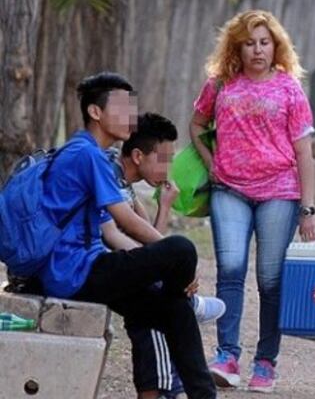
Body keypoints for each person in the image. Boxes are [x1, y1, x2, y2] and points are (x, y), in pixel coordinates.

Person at [41, 72, 217, 399]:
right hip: (75, 273)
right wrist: (173, 264)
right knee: (181, 249)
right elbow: (125, 222)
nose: (131, 117)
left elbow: (118, 226)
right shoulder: (87, 154)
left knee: (175, 310)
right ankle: (183, 293)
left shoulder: (93, 155)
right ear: (96, 112)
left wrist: (164, 273)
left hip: (89, 269)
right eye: (122, 107)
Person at [190, 9, 315, 392]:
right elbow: (197, 123)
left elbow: (304, 151)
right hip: (229, 189)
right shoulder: (220, 84)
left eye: (264, 42)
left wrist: (307, 209)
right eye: (249, 43)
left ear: (275, 46)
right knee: (230, 268)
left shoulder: (289, 88)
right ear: (237, 47)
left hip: (279, 191)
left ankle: (265, 361)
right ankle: (227, 355)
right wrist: (211, 162)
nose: (257, 50)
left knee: (270, 278)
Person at [101, 113, 227, 399]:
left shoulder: (126, 185)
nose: (169, 168)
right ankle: (163, 386)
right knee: (162, 290)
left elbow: (149, 240)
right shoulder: (107, 177)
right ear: (137, 156)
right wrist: (168, 266)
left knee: (166, 298)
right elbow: (118, 237)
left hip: (126, 267)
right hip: (101, 269)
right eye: (164, 159)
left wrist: (165, 206)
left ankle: (185, 304)